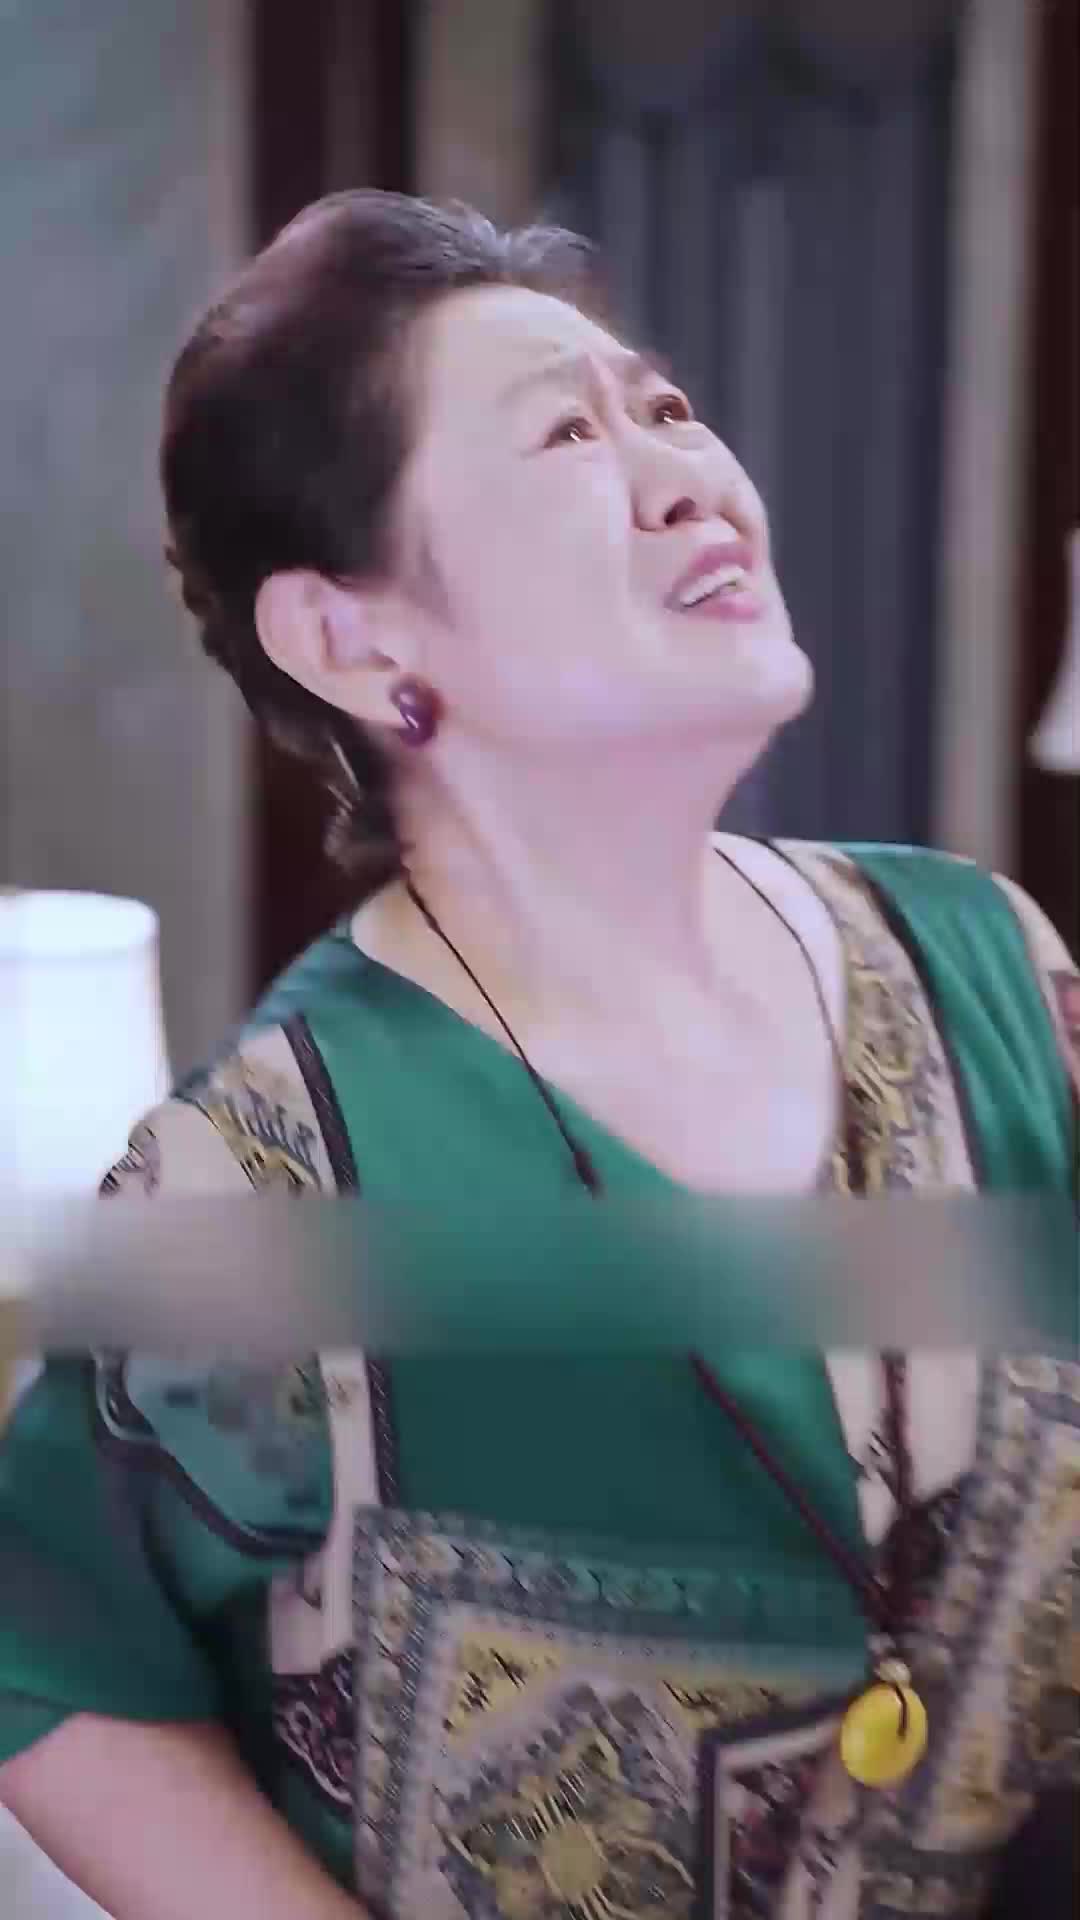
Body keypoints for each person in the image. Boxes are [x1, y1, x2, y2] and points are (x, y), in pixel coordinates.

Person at [0, 191, 1077, 1920]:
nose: (683, 471)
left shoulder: (992, 973)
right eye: (567, 435)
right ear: (353, 638)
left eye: (665, 406)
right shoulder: (265, 1184)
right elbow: (44, 1661)